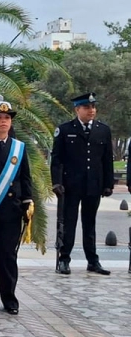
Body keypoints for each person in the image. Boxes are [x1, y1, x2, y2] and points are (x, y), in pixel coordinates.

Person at [0, 101, 33, 315]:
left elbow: (25, 178)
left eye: (7, 118)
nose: (3, 121)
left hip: (11, 211)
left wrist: (27, 201)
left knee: (8, 258)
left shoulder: (19, 148)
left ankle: (9, 299)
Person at [51, 92, 114, 276]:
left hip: (93, 184)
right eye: (87, 107)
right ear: (77, 109)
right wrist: (56, 182)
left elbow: (107, 159)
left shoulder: (103, 130)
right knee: (68, 223)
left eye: (93, 107)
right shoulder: (64, 130)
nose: (91, 110)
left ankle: (92, 261)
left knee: (90, 224)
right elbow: (56, 159)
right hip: (71, 185)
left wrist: (108, 184)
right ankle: (64, 260)